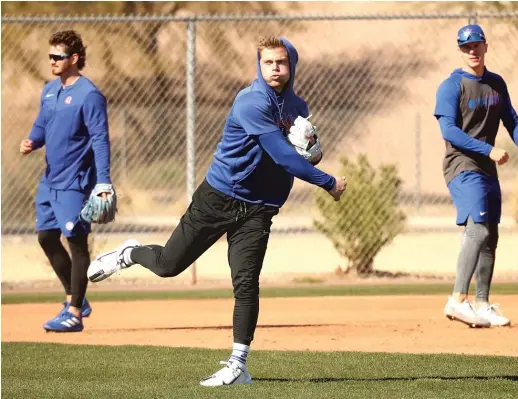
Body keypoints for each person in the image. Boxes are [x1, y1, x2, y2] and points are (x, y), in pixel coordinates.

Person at [87, 36, 347, 385]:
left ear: (292, 65)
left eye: (281, 62)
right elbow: (282, 155)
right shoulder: (251, 102)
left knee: (246, 282)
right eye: (268, 62)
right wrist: (328, 181)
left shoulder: (298, 106)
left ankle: (238, 364)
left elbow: (300, 154)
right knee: (168, 265)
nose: (275, 68)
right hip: (219, 197)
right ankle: (130, 253)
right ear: (259, 65)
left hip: (259, 209)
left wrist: (313, 153)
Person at [20, 30, 114, 332]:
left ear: (74, 59)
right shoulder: (50, 90)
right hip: (49, 181)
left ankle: (73, 313)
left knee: (77, 243)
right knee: (46, 237)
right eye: (50, 56)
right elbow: (42, 124)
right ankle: (77, 297)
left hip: (76, 182)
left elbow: (100, 139)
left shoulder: (89, 95)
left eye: (58, 57)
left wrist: (104, 183)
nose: (52, 62)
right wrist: (33, 141)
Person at [434, 24, 517, 328]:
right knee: (478, 229)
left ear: (485, 46)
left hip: (487, 169)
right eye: (466, 47)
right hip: (461, 165)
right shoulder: (451, 86)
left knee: (491, 235)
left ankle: (482, 304)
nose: (472, 51)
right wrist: (488, 148)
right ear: (460, 50)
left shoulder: (496, 84)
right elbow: (449, 131)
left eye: (476, 45)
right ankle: (456, 300)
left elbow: (512, 120)